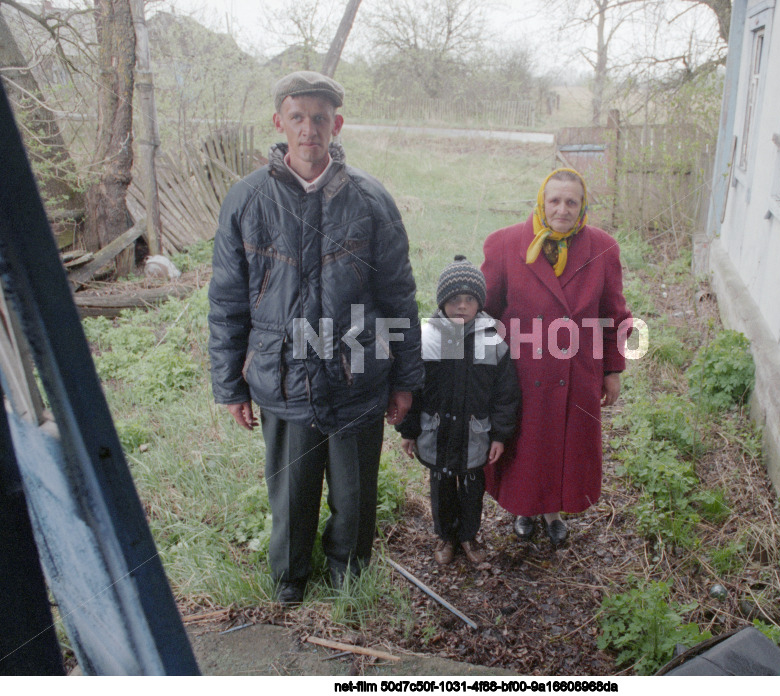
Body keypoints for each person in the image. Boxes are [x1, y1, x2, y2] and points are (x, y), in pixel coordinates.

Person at [208, 71, 424, 603]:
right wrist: (230, 385)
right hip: (282, 377)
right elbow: (228, 301)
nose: (309, 129)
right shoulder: (246, 199)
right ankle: (289, 576)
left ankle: (349, 571)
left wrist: (404, 377)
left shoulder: (372, 199)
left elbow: (399, 295)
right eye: (298, 117)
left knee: (355, 493)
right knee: (290, 489)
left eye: (320, 118)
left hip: (356, 374)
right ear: (279, 122)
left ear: (337, 124)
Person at [481, 168, 631, 546]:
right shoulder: (504, 244)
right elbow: (486, 312)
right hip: (522, 369)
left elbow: (614, 315)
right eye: (555, 200)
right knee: (526, 444)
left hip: (576, 370)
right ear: (542, 202)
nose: (562, 209)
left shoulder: (603, 248)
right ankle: (524, 510)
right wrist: (485, 367)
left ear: (582, 207)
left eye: (571, 202)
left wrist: (612, 370)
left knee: (564, 444)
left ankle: (552, 513)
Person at [396, 256, 521, 565]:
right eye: (454, 300)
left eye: (469, 299)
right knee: (441, 487)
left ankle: (468, 536)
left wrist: (500, 436)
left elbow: (506, 394)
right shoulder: (429, 338)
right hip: (437, 433)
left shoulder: (492, 340)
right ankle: (445, 536)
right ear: (442, 302)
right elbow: (414, 390)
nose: (462, 306)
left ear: (479, 303)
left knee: (470, 487)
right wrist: (409, 431)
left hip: (474, 436)